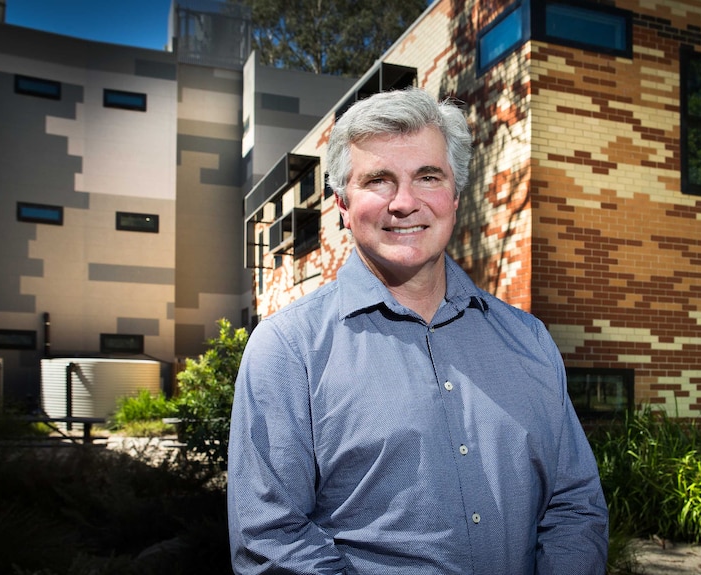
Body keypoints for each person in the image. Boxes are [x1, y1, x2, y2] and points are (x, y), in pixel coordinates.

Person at [227, 87, 609, 574]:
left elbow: (575, 506)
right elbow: (272, 538)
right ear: (343, 204)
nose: (404, 203)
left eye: (427, 177)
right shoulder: (287, 349)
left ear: (453, 195)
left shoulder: (529, 339)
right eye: (379, 180)